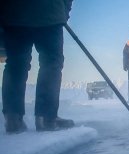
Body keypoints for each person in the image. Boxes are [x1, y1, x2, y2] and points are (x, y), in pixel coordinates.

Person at [0, 0, 75, 134]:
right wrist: (63, 13)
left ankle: (13, 119)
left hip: (14, 12)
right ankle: (46, 118)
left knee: (16, 63)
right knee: (51, 63)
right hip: (49, 12)